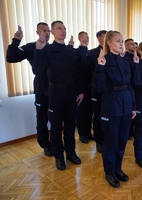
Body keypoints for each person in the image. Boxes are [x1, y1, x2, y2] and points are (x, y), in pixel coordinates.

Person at [92, 31, 140, 188]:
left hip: (126, 105)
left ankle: (117, 169)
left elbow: (131, 86)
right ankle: (110, 172)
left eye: (122, 41)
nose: (121, 44)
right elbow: (97, 88)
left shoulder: (126, 62)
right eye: (118, 41)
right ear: (109, 43)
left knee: (122, 141)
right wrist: (99, 67)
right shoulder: (103, 61)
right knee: (111, 142)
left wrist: (133, 106)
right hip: (111, 107)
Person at [34, 21, 84, 170]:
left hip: (71, 94)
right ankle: (58, 156)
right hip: (55, 94)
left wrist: (81, 91)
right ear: (53, 32)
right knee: (55, 127)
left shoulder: (71, 51)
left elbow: (78, 73)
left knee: (70, 126)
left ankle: (71, 153)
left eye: (65, 28)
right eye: (59, 28)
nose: (63, 31)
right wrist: (38, 50)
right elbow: (38, 70)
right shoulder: (47, 49)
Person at [6, 23, 52, 156]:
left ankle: (56, 143)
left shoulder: (53, 48)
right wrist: (16, 40)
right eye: (44, 31)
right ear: (37, 32)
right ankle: (45, 145)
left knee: (56, 118)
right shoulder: (31, 47)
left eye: (49, 31)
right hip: (41, 88)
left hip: (56, 89)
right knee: (42, 118)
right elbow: (11, 58)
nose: (47, 33)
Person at [76, 31, 95, 144]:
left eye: (87, 37)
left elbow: (90, 68)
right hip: (81, 88)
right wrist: (80, 90)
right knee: (82, 113)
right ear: (79, 38)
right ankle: (82, 134)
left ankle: (88, 132)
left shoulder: (89, 53)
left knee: (89, 112)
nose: (86, 39)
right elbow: (81, 69)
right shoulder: (76, 52)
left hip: (90, 87)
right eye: (84, 37)